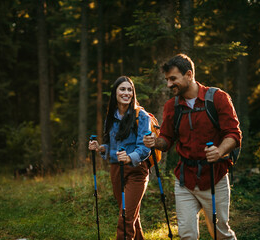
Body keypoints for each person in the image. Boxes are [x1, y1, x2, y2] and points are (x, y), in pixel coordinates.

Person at [143, 54, 242, 240]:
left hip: (215, 176)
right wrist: (155, 142)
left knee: (221, 234)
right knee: (186, 234)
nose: (169, 84)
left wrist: (219, 151)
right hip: (185, 180)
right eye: (167, 80)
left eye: (173, 79)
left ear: (189, 75)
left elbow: (234, 134)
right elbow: (166, 139)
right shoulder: (171, 106)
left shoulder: (218, 98)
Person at [89, 76, 151, 240]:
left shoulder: (142, 116)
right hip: (117, 171)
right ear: (115, 93)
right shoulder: (111, 117)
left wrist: (129, 157)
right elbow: (111, 147)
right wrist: (100, 148)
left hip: (137, 171)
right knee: (130, 215)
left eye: (129, 90)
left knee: (125, 217)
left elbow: (145, 148)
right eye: (122, 89)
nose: (126, 93)